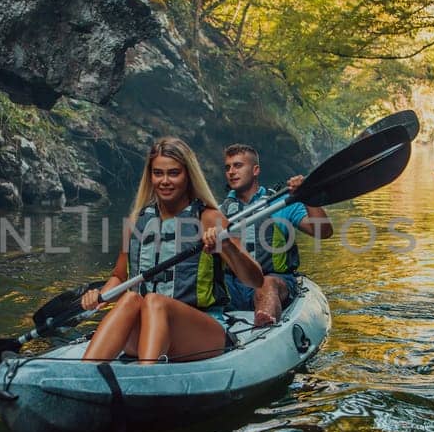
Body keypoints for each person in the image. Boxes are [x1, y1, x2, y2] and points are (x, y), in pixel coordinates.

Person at [80, 136, 264, 363]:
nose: (164, 181)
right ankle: (83, 373)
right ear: (150, 176)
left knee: (155, 301)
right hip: (149, 329)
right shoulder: (137, 221)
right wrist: (100, 297)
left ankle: (147, 374)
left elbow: (255, 280)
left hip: (202, 332)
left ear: (188, 176)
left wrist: (225, 244)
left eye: (173, 173)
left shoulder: (208, 218)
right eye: (158, 173)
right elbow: (119, 277)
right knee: (130, 299)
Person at [221, 143, 333, 327]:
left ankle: (263, 327)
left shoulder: (281, 204)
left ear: (255, 170)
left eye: (238, 165)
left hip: (274, 281)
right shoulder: (218, 211)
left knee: (267, 283)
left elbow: (324, 231)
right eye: (228, 167)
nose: (231, 171)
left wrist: (308, 195)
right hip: (232, 285)